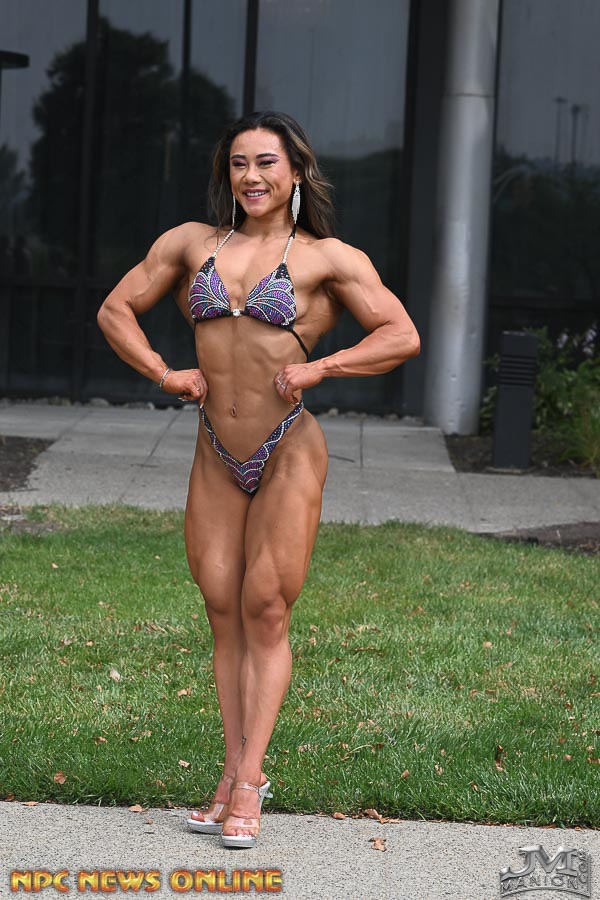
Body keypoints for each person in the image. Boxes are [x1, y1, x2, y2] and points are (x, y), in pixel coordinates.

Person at [97, 110, 420, 849]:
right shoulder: (190, 244)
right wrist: (165, 373)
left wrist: (321, 367)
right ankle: (229, 772)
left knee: (266, 608)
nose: (252, 176)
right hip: (215, 448)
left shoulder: (328, 258)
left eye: (267, 163)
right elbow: (116, 309)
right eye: (239, 163)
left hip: (288, 448)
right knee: (223, 609)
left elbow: (401, 334)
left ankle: (250, 781)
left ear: (296, 171)